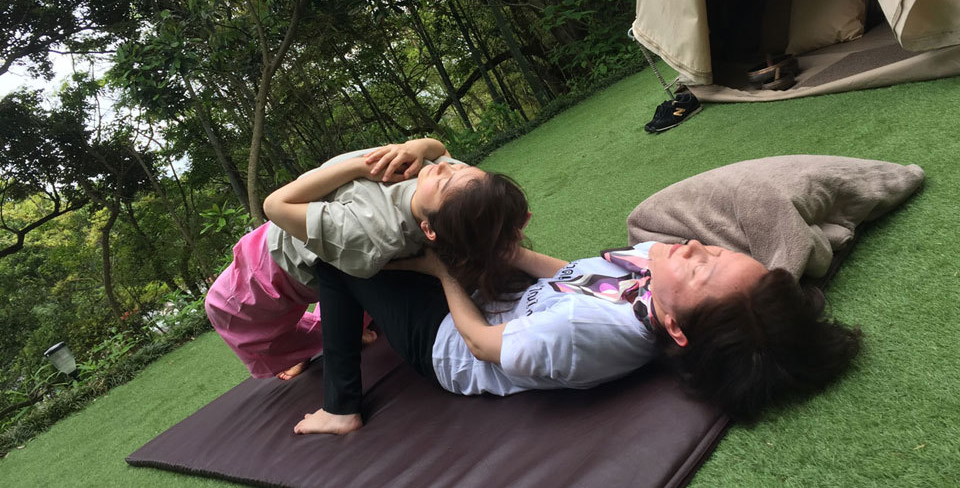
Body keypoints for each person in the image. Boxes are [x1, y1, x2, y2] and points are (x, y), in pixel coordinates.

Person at [293, 239, 861, 435]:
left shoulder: (585, 335)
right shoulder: (653, 278)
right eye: (715, 251)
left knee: (335, 260)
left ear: (675, 328)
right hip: (496, 297)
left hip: (449, 341)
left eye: (700, 268)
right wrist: (501, 248)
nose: (693, 247)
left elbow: (482, 345)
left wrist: (441, 272)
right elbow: (573, 276)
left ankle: (342, 407)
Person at [205, 138, 529, 380]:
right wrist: (419, 147)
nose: (444, 166)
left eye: (446, 176)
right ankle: (311, 341)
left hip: (268, 269)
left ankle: (303, 347)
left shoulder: (371, 232)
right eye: (458, 166)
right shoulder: (458, 189)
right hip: (282, 245)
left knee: (231, 315)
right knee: (268, 325)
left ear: (430, 230)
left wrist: (361, 166)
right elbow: (439, 150)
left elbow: (275, 206)